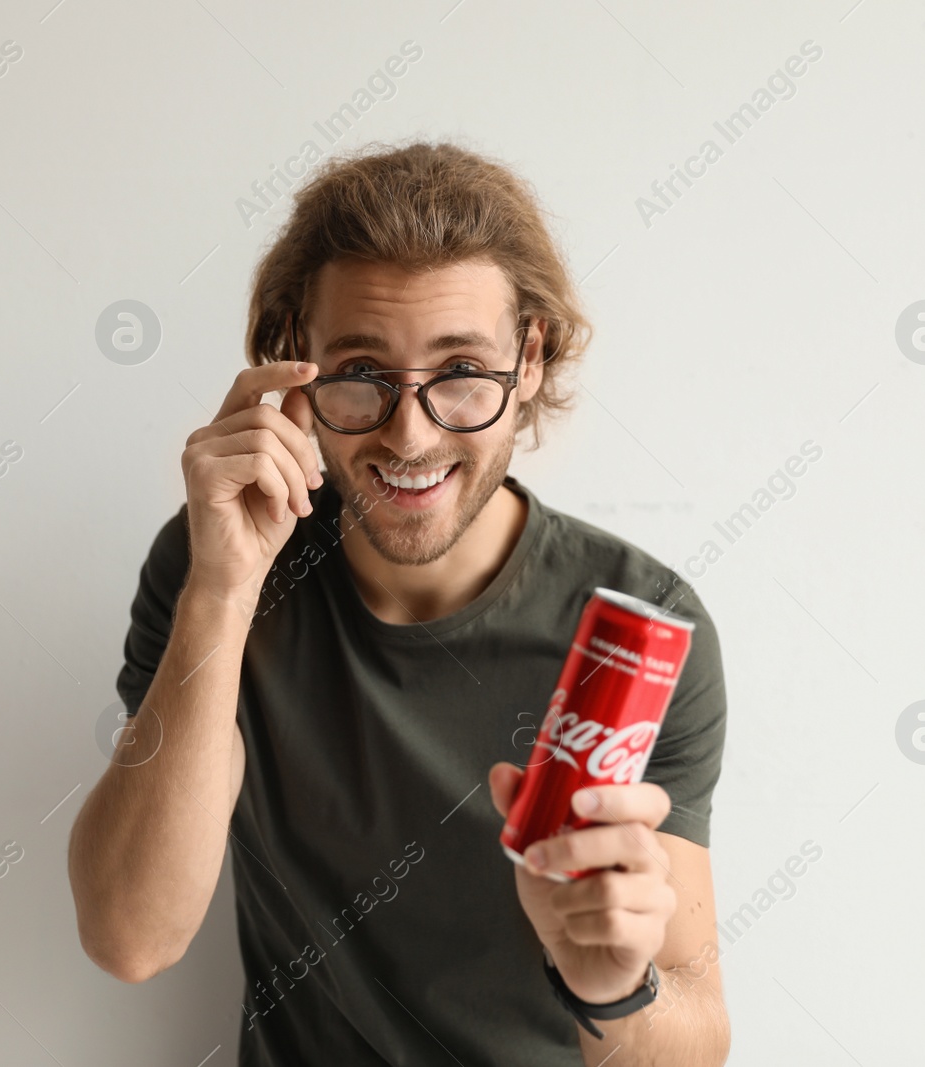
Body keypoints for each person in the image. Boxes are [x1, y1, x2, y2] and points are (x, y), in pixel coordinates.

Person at [69, 141, 731, 1066]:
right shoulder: (216, 568)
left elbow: (694, 1044)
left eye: (461, 369)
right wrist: (222, 588)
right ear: (297, 362)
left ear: (529, 360)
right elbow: (130, 935)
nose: (409, 434)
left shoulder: (636, 628)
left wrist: (611, 982)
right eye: (362, 371)